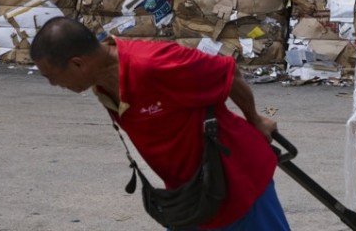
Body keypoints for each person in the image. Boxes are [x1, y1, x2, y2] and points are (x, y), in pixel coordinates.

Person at [30, 16, 291, 231]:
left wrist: (255, 119)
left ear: (78, 64)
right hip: (191, 193)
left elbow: (228, 72)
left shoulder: (153, 64)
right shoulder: (102, 82)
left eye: (52, 77)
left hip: (235, 177)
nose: (54, 85)